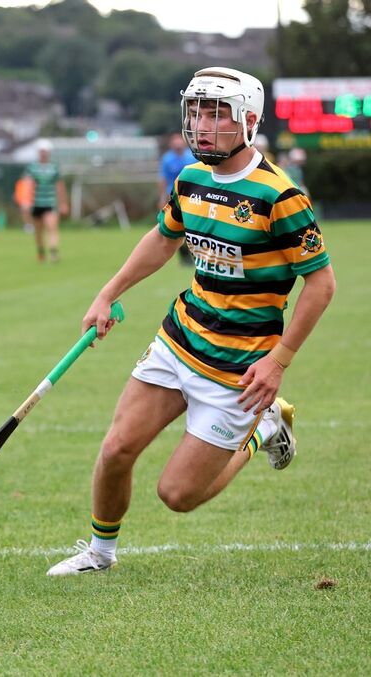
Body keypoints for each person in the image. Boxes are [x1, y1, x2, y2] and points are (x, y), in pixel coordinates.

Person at [46, 67, 335, 576]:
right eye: (197, 112)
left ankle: (264, 429)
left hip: (240, 369)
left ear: (249, 121)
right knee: (116, 448)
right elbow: (163, 239)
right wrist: (108, 294)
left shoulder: (281, 197)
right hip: (179, 340)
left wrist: (279, 361)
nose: (202, 124)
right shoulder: (190, 179)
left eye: (217, 114)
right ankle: (100, 553)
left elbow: (321, 283)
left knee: (177, 495)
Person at [22, 139, 68, 263]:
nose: (43, 153)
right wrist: (26, 201)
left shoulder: (54, 167)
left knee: (52, 228)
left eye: (45, 151)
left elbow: (60, 186)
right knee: (38, 231)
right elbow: (28, 184)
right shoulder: (32, 167)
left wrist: (63, 203)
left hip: (50, 203)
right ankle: (41, 251)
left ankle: (53, 253)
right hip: (36, 203)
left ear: (48, 152)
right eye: (41, 151)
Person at [158, 133, 196, 266]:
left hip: (192, 196)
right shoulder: (167, 159)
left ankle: (195, 253)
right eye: (175, 144)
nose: (178, 146)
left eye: (180, 143)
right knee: (176, 227)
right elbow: (163, 179)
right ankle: (183, 256)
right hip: (174, 197)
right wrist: (162, 197)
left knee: (192, 226)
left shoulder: (192, 157)